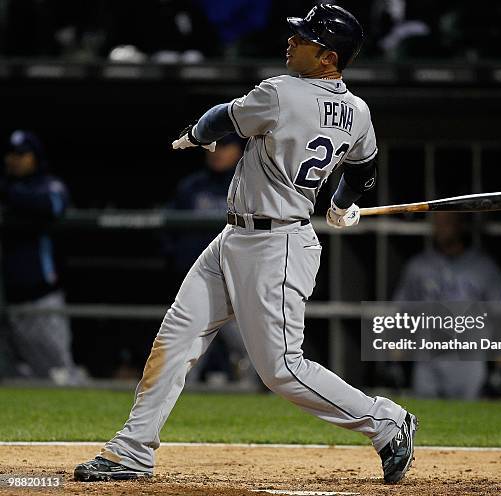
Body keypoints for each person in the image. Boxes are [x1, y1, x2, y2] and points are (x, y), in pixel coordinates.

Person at [74, 4, 417, 485]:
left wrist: (194, 135)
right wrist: (341, 205)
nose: (291, 42)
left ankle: (385, 420)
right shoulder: (358, 112)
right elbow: (363, 169)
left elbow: (222, 118)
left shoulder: (282, 92)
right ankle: (132, 450)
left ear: (327, 56)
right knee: (176, 337)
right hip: (235, 237)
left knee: (282, 370)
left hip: (276, 246)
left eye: (304, 39)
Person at [165, 134, 256, 386]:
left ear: (238, 150)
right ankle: (180, 395)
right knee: (189, 341)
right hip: (199, 276)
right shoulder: (191, 187)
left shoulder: (249, 185)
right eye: (214, 146)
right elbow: (169, 229)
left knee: (249, 344)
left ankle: (257, 388)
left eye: (225, 146)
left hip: (237, 278)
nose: (217, 152)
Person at [394, 212, 501, 399]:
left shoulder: (483, 267)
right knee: (423, 419)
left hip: (468, 360)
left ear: (461, 225)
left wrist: (499, 369)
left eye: (447, 223)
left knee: (470, 420)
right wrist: (395, 363)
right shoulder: (419, 266)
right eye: (437, 223)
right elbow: (402, 316)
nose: (440, 228)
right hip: (427, 359)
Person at [0, 130, 80, 384]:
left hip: (41, 299)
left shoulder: (48, 185)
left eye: (22, 154)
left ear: (35, 157)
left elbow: (53, 204)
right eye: (11, 154)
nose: (15, 160)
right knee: (13, 379)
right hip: (6, 302)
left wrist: (9, 196)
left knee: (59, 375)